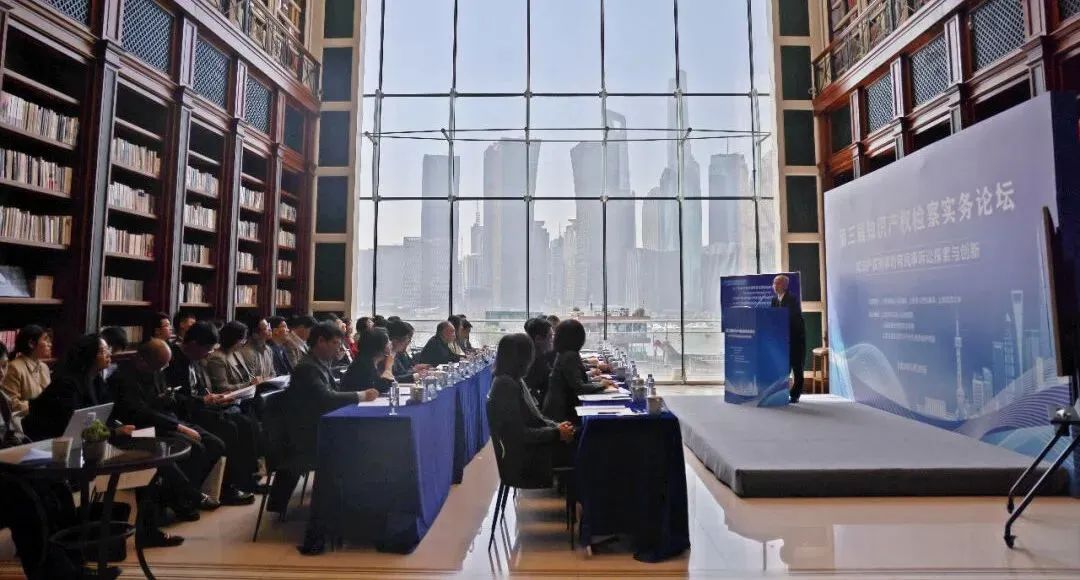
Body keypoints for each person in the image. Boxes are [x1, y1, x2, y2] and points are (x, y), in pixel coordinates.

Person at [268, 322, 377, 515]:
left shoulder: (318, 363)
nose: (339, 348)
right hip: (304, 438)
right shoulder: (307, 368)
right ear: (320, 341)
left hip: (315, 429)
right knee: (361, 443)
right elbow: (325, 398)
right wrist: (360, 396)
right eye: (335, 343)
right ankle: (348, 503)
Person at [110, 339, 222, 517]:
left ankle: (180, 496)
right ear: (142, 360)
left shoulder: (156, 370)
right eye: (160, 366)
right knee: (195, 447)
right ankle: (185, 498)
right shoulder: (122, 379)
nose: (163, 369)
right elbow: (140, 413)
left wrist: (172, 399)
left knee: (215, 444)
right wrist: (178, 427)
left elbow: (166, 397)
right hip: (142, 429)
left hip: (168, 419)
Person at [166, 322, 258, 504]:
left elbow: (200, 389)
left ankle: (244, 479)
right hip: (185, 413)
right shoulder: (172, 360)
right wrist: (203, 400)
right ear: (193, 345)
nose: (209, 353)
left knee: (244, 422)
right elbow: (174, 396)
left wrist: (213, 398)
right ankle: (225, 487)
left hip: (201, 407)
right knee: (229, 428)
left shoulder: (195, 359)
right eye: (207, 349)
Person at [488, 334, 575, 489]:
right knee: (586, 446)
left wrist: (557, 426)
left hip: (529, 450)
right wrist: (556, 433)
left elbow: (536, 417)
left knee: (580, 434)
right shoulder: (506, 386)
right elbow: (519, 435)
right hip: (526, 459)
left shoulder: (512, 380)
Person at [22, 334, 135, 442]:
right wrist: (113, 432)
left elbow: (106, 413)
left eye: (108, 349)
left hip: (83, 439)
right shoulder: (67, 384)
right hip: (52, 441)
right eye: (102, 351)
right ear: (89, 355)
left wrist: (116, 428)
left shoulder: (96, 380)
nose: (109, 354)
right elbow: (73, 424)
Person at [542, 319, 617, 424]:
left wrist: (596, 381)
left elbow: (574, 380)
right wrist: (602, 384)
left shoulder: (565, 352)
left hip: (558, 407)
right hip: (562, 413)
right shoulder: (569, 356)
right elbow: (579, 387)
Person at [1, 325, 52, 415]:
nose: (50, 344)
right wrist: (42, 406)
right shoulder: (14, 368)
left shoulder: (44, 367)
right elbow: (11, 404)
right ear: (31, 344)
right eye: (46, 340)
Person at [771, 274, 807, 403]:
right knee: (783, 367)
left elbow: (793, 317)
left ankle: (795, 395)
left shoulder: (792, 299)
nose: (775, 286)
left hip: (795, 338)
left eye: (778, 283)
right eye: (774, 283)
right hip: (782, 339)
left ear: (785, 285)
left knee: (797, 367)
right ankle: (782, 393)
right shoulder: (774, 300)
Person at [206, 321, 262, 393]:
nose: (243, 343)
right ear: (234, 339)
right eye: (242, 340)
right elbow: (222, 387)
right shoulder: (217, 358)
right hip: (231, 398)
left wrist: (256, 380)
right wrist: (249, 384)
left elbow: (248, 376)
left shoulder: (236, 353)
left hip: (247, 394)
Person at [340, 328, 394, 393]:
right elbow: (381, 388)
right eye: (388, 341)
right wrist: (388, 367)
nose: (390, 343)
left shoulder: (368, 361)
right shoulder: (362, 364)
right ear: (379, 346)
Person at [523, 317, 555, 404]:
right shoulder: (533, 363)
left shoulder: (540, 357)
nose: (553, 340)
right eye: (550, 336)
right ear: (538, 339)